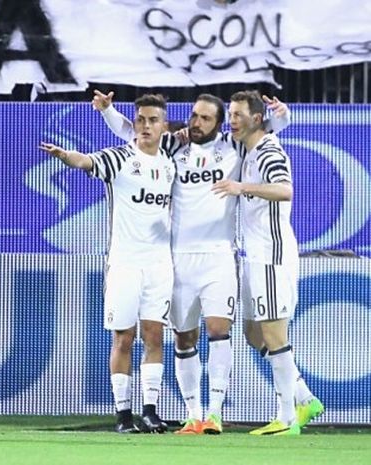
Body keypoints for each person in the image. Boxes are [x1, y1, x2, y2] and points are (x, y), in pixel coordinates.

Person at [94, 89, 322, 434]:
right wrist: (108, 112)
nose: (195, 122)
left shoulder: (233, 147)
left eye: (205, 117)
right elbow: (136, 132)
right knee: (188, 338)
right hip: (177, 258)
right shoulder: (175, 146)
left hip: (220, 256)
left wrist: (283, 115)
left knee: (221, 331)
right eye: (193, 116)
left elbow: (264, 128)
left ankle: (215, 413)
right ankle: (194, 415)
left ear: (219, 124)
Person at [41, 94, 175, 434]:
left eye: (153, 120)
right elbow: (86, 161)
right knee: (124, 338)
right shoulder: (119, 158)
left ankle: (150, 411)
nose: (146, 126)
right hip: (125, 263)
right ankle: (123, 415)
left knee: (155, 336)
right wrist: (64, 157)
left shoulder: (171, 160)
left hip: (160, 264)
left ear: (163, 125)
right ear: (136, 122)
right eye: (141, 119)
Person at [211, 90, 312, 435]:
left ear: (256, 119)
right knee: (254, 333)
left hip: (272, 253)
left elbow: (285, 190)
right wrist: (282, 117)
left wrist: (241, 186)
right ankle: (303, 395)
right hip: (253, 255)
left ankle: (286, 418)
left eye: (238, 115)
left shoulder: (269, 151)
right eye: (230, 113)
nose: (231, 120)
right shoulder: (248, 147)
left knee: (272, 332)